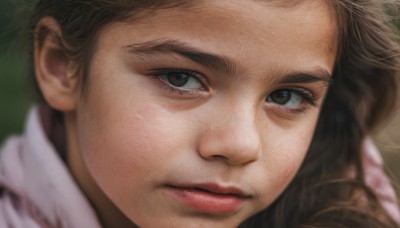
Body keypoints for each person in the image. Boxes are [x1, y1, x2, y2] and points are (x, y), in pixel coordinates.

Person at [0, 0, 399, 227]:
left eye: (289, 96)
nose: (241, 145)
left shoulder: (354, 209)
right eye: (182, 78)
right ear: (60, 65)